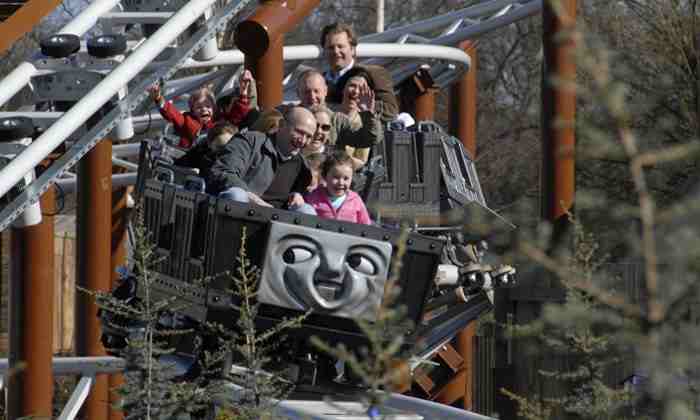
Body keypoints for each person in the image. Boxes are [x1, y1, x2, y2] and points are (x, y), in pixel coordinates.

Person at [207, 107, 316, 213]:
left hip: (278, 223)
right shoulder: (250, 142)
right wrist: (253, 199)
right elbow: (222, 172)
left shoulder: (302, 166)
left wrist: (298, 194)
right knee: (237, 195)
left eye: (309, 136)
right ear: (282, 124)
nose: (303, 140)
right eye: (299, 132)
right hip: (245, 211)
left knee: (307, 211)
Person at [320, 22, 399, 124]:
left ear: (352, 49)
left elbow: (391, 111)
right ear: (324, 51)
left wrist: (359, 106)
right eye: (331, 47)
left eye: (340, 46)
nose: (335, 51)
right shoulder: (318, 80)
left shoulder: (372, 73)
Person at [290, 69, 380, 150]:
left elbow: (370, 139)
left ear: (325, 91)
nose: (312, 96)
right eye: (306, 92)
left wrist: (368, 115)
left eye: (316, 91)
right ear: (298, 93)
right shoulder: (288, 117)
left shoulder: (337, 121)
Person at [305, 151, 371, 225]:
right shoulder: (314, 197)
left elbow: (366, 226)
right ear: (325, 176)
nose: (341, 183)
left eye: (346, 178)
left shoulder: (355, 200)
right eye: (336, 177)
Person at [333, 72, 379, 170]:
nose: (356, 91)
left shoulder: (365, 122)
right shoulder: (330, 113)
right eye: (352, 86)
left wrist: (338, 160)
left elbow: (361, 161)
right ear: (343, 88)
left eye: (362, 89)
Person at [173, 122, 238, 180]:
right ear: (209, 144)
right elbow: (177, 167)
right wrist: (189, 171)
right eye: (219, 147)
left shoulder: (238, 162)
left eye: (228, 148)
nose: (223, 151)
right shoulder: (197, 155)